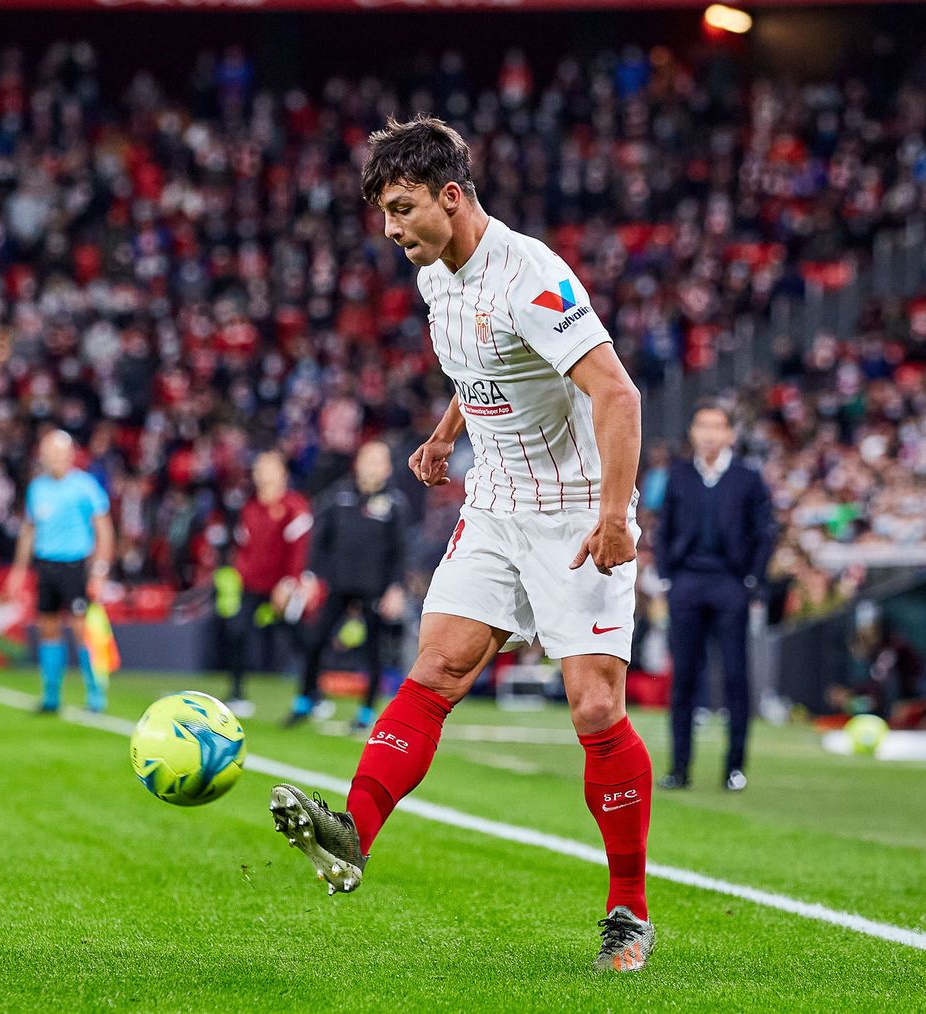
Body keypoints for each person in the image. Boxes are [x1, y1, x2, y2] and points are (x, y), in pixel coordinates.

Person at [267, 115, 655, 972]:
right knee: (436, 664)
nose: (391, 230)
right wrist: (447, 433)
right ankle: (352, 831)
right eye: (382, 215)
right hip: (494, 500)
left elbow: (617, 396)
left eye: (402, 209)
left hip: (575, 507)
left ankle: (627, 911)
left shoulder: (533, 276)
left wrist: (617, 517)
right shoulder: (436, 274)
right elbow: (483, 369)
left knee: (595, 709)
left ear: (452, 196)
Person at [655, 403, 776, 792]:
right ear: (692, 432)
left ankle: (734, 768)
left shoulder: (747, 478)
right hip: (688, 582)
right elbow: (663, 529)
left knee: (736, 677)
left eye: (717, 427)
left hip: (729, 583)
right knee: (684, 680)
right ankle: (679, 767)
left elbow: (765, 531)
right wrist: (668, 575)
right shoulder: (678, 476)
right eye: (702, 426)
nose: (709, 434)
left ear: (729, 434)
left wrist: (752, 579)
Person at [286, 441, 409, 732]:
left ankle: (366, 712)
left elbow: (401, 551)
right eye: (367, 459)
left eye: (378, 461)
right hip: (339, 584)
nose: (372, 466)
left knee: (373, 651)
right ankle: (306, 700)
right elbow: (319, 539)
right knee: (315, 640)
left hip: (375, 588)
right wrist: (311, 575)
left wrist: (395, 587)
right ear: (357, 463)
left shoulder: (394, 503)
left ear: (387, 468)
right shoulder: (338, 496)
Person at [5, 430, 115, 713]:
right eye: (48, 452)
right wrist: (18, 570)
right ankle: (51, 695)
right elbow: (28, 531)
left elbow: (104, 529)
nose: (54, 458)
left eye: (59, 452)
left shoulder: (84, 486)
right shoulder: (37, 488)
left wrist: (100, 570)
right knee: (48, 629)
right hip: (46, 565)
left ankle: (95, 693)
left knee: (81, 630)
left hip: (75, 566)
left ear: (70, 454)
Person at [223, 451, 313, 717]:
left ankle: (312, 692)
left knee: (301, 638)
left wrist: (289, 584)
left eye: (269, 467)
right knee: (237, 630)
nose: (262, 473)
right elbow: (243, 548)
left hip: (284, 586)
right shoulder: (249, 508)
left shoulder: (295, 507)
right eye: (259, 467)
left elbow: (300, 549)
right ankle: (237, 692)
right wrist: (241, 574)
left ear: (283, 473)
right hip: (253, 586)